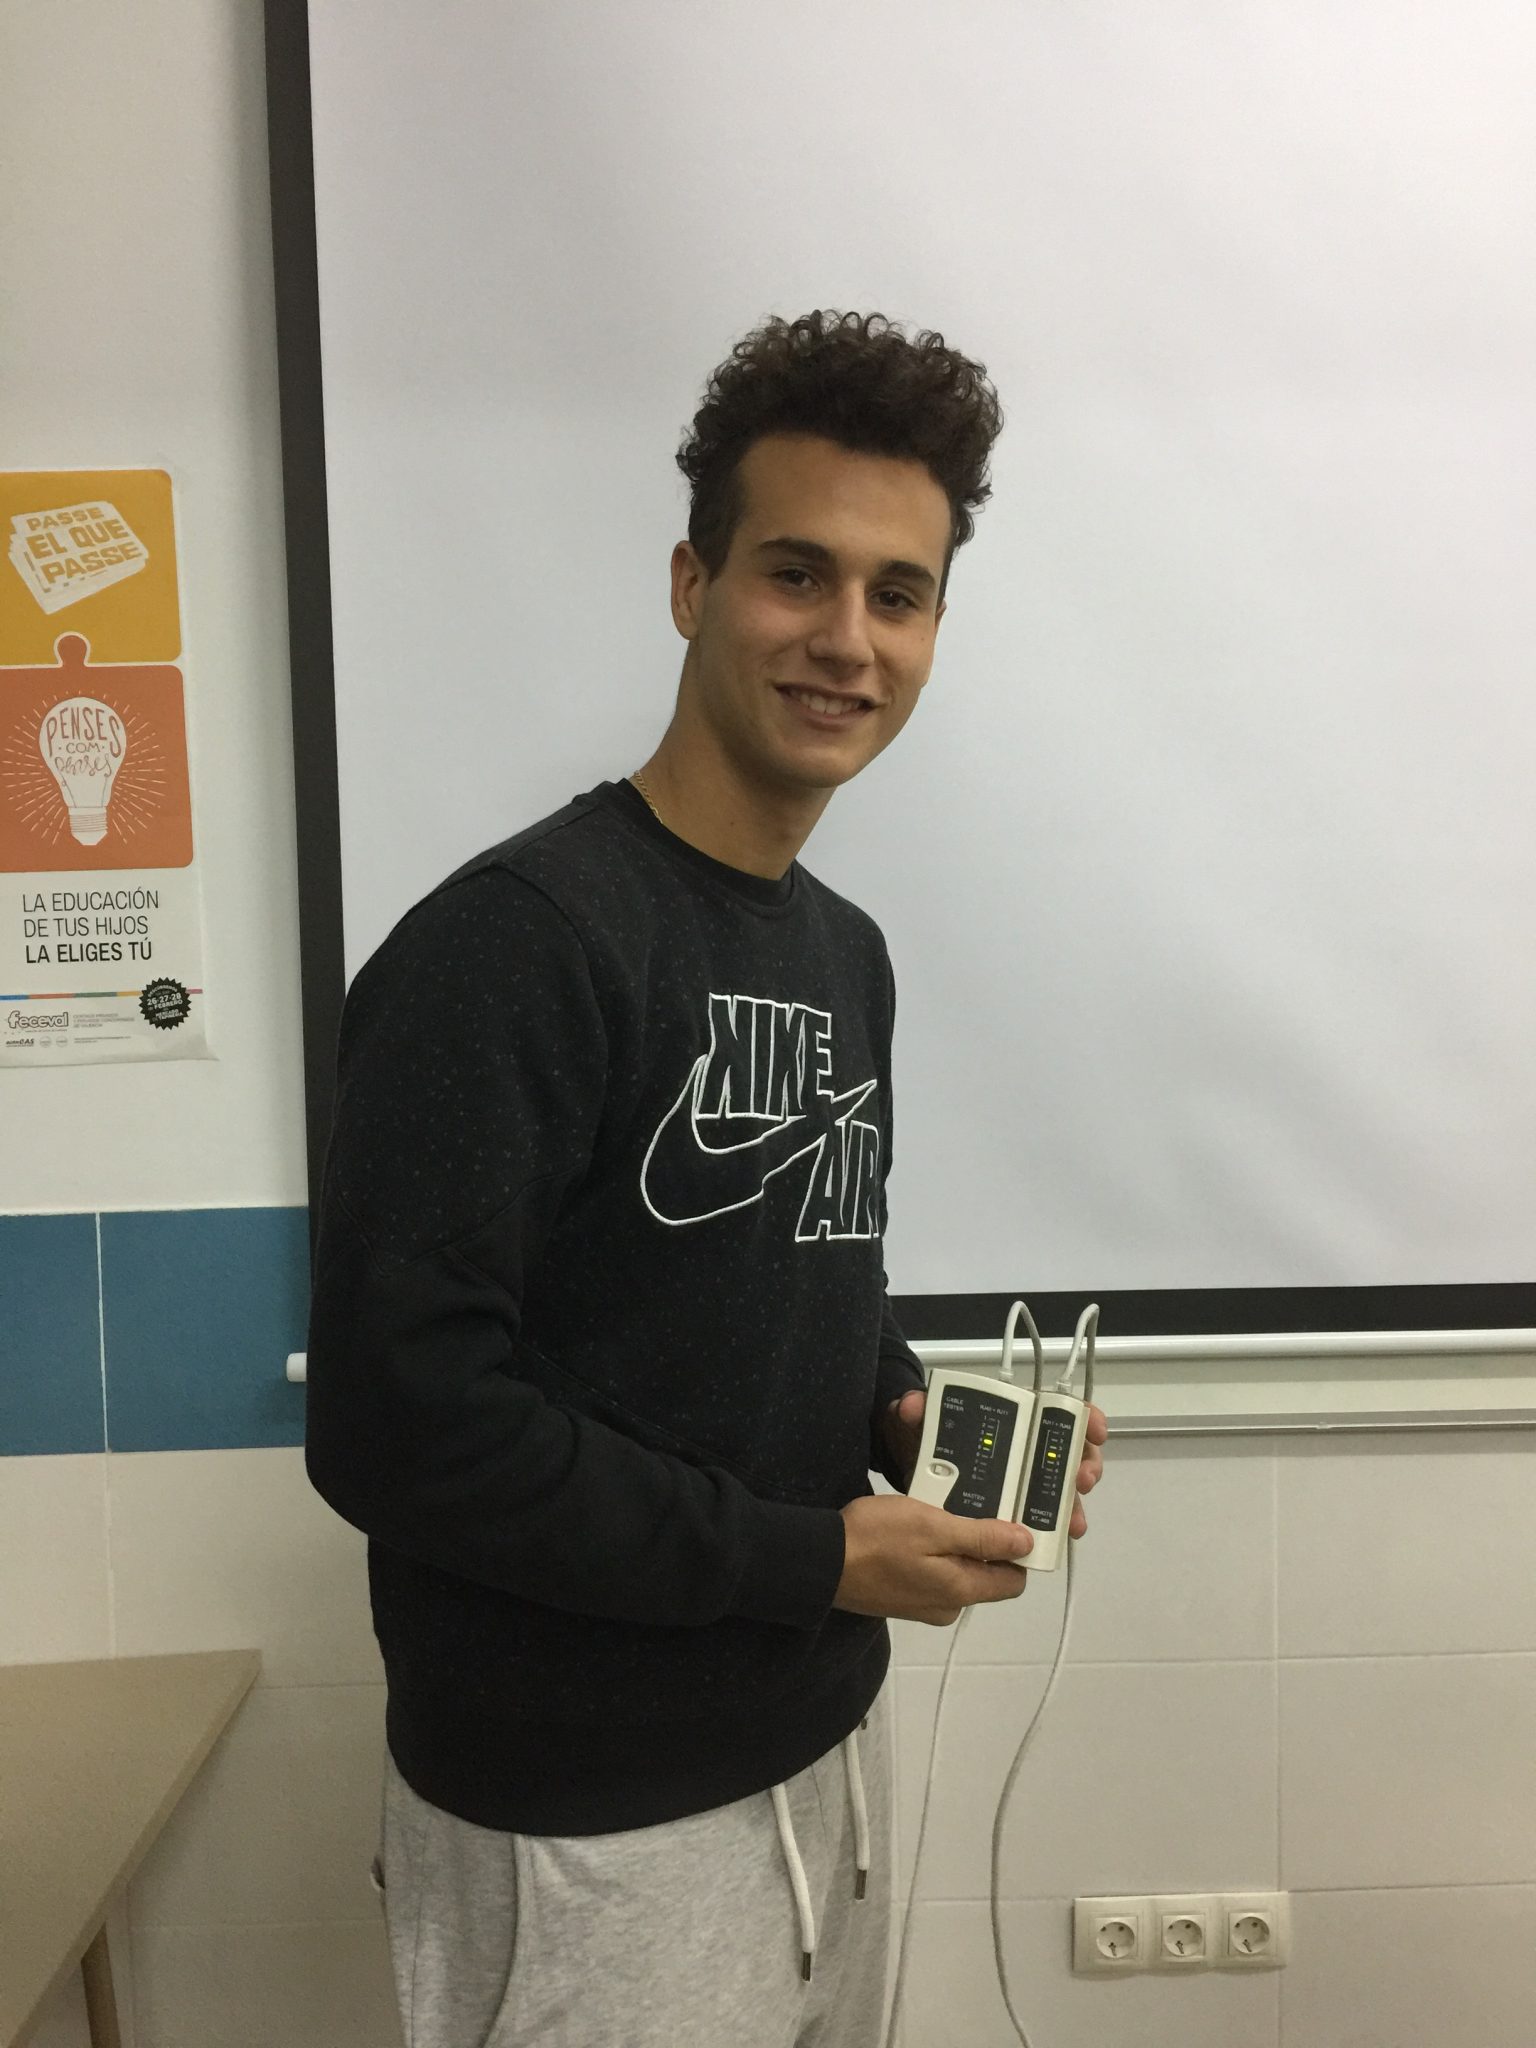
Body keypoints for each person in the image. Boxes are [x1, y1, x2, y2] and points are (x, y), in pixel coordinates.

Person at [304, 308, 1109, 2048]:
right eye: (796, 574)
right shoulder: (514, 947)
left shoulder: (844, 951)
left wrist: (907, 1414)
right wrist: (811, 1557)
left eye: (899, 594)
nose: (847, 639)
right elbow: (398, 1428)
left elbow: (798, 1273)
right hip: (585, 1827)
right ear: (693, 584)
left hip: (821, 1751)